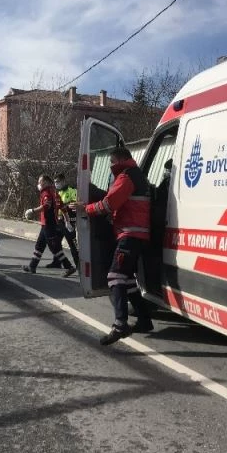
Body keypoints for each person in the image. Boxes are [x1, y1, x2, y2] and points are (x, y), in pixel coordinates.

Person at [72, 146, 153, 345]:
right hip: (137, 234)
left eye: (111, 161)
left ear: (119, 159)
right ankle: (144, 319)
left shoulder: (126, 177)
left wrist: (85, 209)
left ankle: (120, 325)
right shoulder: (136, 175)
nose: (110, 165)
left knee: (114, 276)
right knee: (127, 280)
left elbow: (109, 204)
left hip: (129, 234)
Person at [23, 175, 77, 277]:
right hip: (47, 224)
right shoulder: (55, 192)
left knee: (55, 247)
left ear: (46, 182)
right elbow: (63, 208)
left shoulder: (46, 193)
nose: (39, 184)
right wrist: (67, 221)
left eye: (40, 182)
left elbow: (46, 206)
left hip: (49, 224)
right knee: (40, 245)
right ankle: (32, 266)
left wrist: (32, 210)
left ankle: (69, 267)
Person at [45, 173, 80, 269]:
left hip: (69, 220)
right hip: (59, 221)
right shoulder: (57, 192)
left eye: (58, 182)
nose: (56, 184)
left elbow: (74, 203)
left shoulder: (72, 190)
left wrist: (64, 205)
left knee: (72, 243)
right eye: (55, 182)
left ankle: (79, 265)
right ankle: (57, 262)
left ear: (64, 181)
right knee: (56, 242)